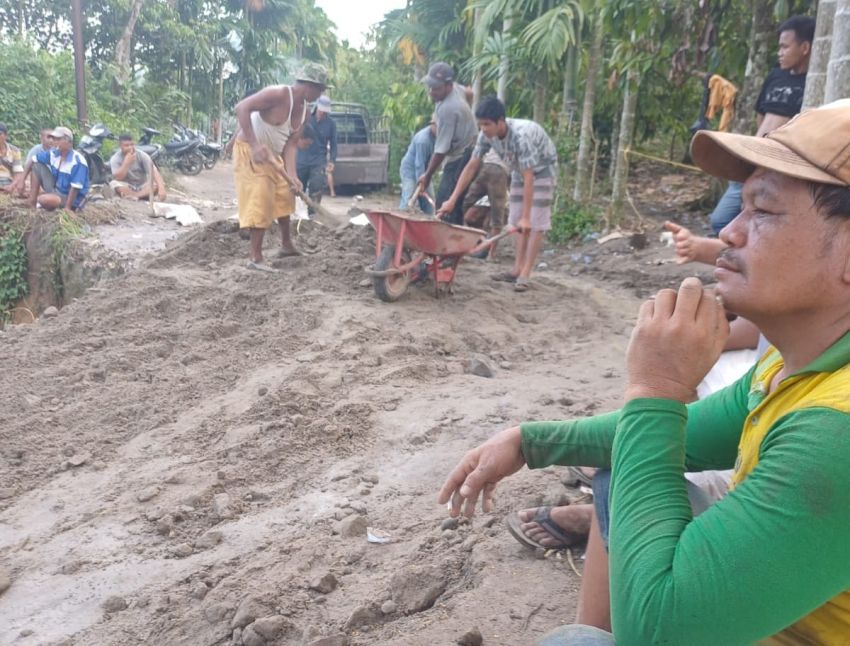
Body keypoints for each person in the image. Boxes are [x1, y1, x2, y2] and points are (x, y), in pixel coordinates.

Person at [438, 100, 850, 644]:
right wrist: (528, 441)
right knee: (619, 472)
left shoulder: (833, 436)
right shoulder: (796, 361)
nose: (728, 232)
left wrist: (656, 388)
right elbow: (694, 432)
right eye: (741, 208)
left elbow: (657, 632)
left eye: (764, 211)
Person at [706, 14, 814, 235]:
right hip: (753, 158)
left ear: (805, 47)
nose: (780, 52)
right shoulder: (775, 76)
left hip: (781, 166)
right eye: (779, 47)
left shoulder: (815, 82)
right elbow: (761, 115)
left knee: (764, 222)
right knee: (720, 220)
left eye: (785, 47)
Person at [438, 96, 557, 292]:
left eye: (487, 124)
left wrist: (527, 218)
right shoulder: (485, 136)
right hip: (519, 169)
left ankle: (526, 272)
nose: (483, 129)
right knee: (515, 220)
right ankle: (517, 269)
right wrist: (452, 200)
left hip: (542, 170)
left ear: (500, 121)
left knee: (534, 223)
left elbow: (530, 177)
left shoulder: (521, 137)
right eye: (481, 124)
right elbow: (471, 166)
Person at [233, 62, 329, 271]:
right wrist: (255, 145)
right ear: (309, 86)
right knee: (262, 198)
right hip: (249, 151)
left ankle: (286, 244)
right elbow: (241, 108)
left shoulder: (305, 110)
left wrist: (293, 175)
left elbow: (292, 145)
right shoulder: (277, 94)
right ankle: (255, 258)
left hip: (273, 155)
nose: (320, 94)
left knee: (285, 194)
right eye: (320, 90)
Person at [416, 62, 477, 225]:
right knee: (453, 202)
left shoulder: (448, 109)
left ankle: (446, 243)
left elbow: (440, 150)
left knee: (445, 202)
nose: (431, 92)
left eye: (436, 88)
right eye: (430, 87)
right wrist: (468, 109)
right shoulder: (456, 89)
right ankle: (453, 242)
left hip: (461, 156)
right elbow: (470, 92)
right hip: (468, 147)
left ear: (448, 85)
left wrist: (427, 175)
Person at [27, 126, 89, 212]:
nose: (54, 142)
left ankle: (58, 205)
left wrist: (68, 207)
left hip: (69, 197)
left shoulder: (78, 161)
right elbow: (33, 159)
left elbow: (75, 187)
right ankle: (32, 203)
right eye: (54, 139)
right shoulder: (54, 153)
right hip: (56, 189)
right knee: (36, 165)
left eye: (58, 140)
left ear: (68, 141)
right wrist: (22, 180)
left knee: (43, 199)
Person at [296, 94, 337, 216]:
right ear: (317, 108)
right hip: (301, 159)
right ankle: (297, 212)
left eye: (325, 112)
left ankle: (313, 213)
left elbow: (334, 144)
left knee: (317, 185)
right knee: (298, 188)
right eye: (321, 111)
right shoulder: (306, 119)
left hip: (319, 160)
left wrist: (332, 161)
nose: (323, 114)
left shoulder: (331, 124)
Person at [109, 133, 166, 201]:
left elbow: (154, 172)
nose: (130, 147)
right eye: (126, 145)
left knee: (157, 184)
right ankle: (139, 196)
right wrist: (126, 163)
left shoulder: (142, 155)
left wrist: (162, 189)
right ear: (121, 146)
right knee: (113, 184)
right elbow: (118, 177)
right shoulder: (115, 158)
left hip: (142, 186)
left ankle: (136, 196)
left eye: (132, 145)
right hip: (127, 186)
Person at [398, 119, 436, 214]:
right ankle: (402, 221)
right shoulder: (423, 140)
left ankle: (429, 222)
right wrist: (422, 182)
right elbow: (419, 164)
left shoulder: (439, 137)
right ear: (433, 125)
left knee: (429, 201)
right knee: (409, 198)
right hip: (410, 170)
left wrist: (427, 177)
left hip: (425, 172)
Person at [0, 123, 24, 194]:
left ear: (6, 136)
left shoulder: (15, 151)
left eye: (0, 134)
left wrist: (12, 186)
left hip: (8, 181)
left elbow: (18, 173)